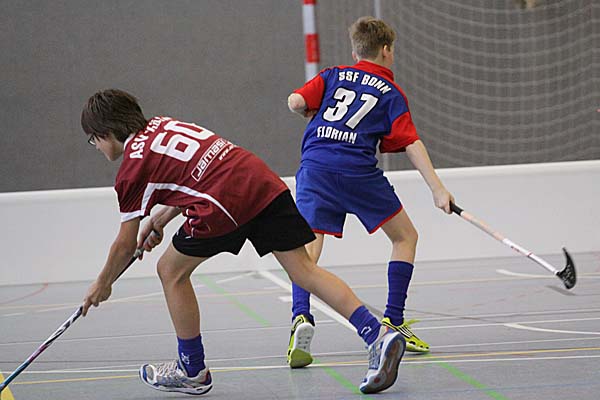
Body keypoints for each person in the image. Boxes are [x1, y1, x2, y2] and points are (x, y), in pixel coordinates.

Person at [80, 88, 406, 395]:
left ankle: (192, 369)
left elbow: (125, 245)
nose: (95, 147)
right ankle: (377, 335)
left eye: (93, 140)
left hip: (224, 202)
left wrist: (102, 284)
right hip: (259, 179)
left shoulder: (131, 169)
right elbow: (196, 172)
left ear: (105, 132)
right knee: (304, 271)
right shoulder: (162, 125)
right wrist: (160, 219)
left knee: (170, 271)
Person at [286, 16, 454, 369]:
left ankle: (300, 316)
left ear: (355, 52)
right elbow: (411, 142)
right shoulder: (391, 92)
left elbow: (296, 102)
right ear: (387, 50)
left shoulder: (332, 75)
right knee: (405, 237)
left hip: (315, 167)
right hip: (356, 172)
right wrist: (437, 189)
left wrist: (308, 110)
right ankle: (393, 321)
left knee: (307, 249)